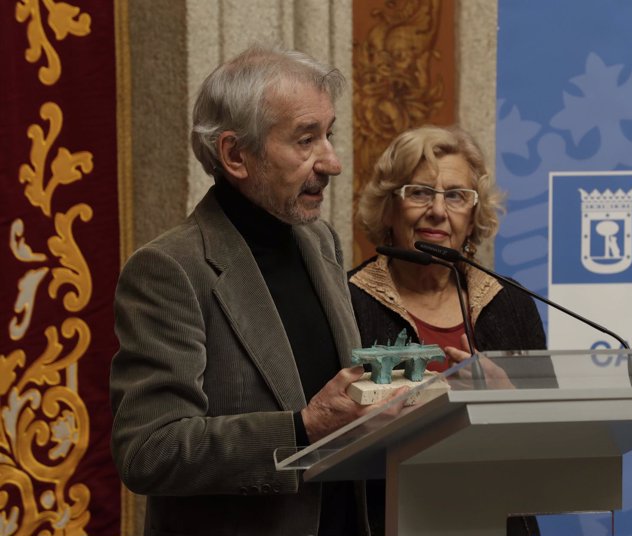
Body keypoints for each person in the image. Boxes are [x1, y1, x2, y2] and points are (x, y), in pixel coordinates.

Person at [110, 46, 404, 536]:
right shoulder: (169, 269)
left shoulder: (319, 241)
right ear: (235, 155)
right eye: (305, 140)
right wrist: (299, 430)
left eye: (328, 136)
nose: (331, 162)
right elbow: (149, 450)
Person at [348, 125, 546, 536]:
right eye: (419, 192)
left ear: (474, 217)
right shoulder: (343, 301)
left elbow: (545, 448)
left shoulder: (511, 304)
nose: (438, 211)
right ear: (389, 208)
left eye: (456, 196)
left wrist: (509, 402)